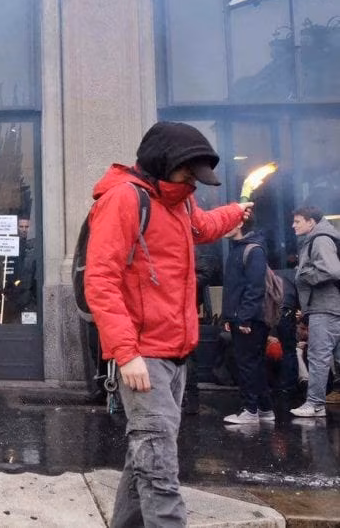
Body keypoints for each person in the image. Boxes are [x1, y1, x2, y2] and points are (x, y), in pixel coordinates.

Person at [84, 121, 248, 527]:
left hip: (175, 354)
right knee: (159, 469)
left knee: (146, 457)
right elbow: (100, 282)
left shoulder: (180, 202)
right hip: (143, 357)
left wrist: (235, 212)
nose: (192, 182)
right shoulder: (124, 200)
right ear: (162, 162)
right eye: (187, 172)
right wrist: (126, 354)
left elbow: (204, 228)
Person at [221, 221, 275, 425]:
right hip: (243, 317)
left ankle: (250, 409)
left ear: (240, 225)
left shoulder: (253, 250)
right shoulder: (241, 249)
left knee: (247, 365)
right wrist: (229, 317)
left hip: (249, 319)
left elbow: (255, 288)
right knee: (255, 364)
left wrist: (244, 317)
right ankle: (264, 408)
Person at [290, 205, 340, 418]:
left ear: (311, 222)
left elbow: (332, 270)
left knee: (318, 356)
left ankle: (315, 404)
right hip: (330, 307)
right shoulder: (319, 238)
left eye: (298, 221)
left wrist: (304, 274)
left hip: (325, 307)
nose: (293, 225)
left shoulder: (319, 239)